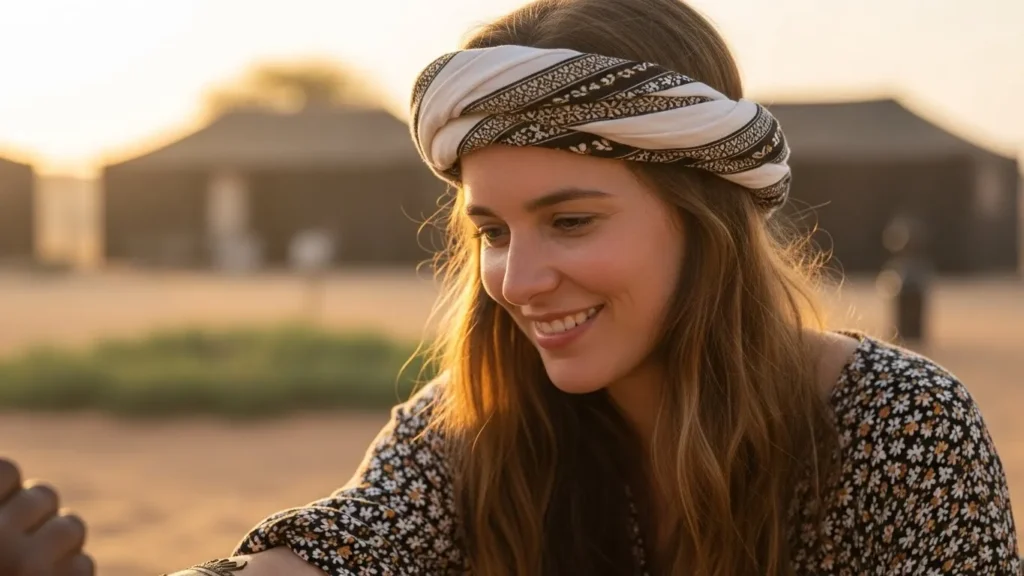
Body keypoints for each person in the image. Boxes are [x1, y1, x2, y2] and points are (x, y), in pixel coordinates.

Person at [4, 0, 1020, 574]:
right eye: (491, 230)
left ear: (706, 220)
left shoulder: (902, 429)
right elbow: (337, 557)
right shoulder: (471, 429)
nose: (518, 281)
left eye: (571, 221)